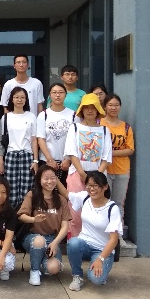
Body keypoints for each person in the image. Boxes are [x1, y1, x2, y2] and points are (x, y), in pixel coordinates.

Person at [64, 93, 113, 238]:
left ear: (98, 110)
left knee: (96, 211)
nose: (90, 110)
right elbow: (72, 152)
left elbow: (106, 156)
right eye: (86, 107)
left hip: (98, 176)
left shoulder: (105, 130)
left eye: (93, 107)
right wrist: (82, 173)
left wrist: (96, 177)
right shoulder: (74, 128)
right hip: (77, 174)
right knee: (75, 212)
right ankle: (75, 242)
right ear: (82, 110)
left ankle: (94, 242)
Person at [66, 171, 122, 291]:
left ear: (105, 187)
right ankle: (77, 276)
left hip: (102, 250)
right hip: (85, 244)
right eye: (89, 185)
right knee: (73, 243)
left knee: (97, 279)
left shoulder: (112, 208)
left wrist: (100, 259)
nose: (92, 189)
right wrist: (54, 179)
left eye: (96, 185)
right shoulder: (85, 197)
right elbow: (67, 195)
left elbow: (114, 240)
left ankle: (100, 270)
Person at [17, 165, 70, 286]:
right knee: (39, 241)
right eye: (46, 178)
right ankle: (34, 270)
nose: (49, 181)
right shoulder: (32, 195)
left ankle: (40, 259)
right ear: (39, 180)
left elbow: (65, 226)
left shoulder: (61, 200)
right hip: (33, 236)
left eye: (53, 178)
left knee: (53, 268)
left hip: (52, 238)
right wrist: (33, 219)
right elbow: (21, 216)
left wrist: (55, 242)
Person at [100, 94, 135, 241]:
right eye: (110, 105)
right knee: (104, 202)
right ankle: (103, 235)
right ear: (105, 107)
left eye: (116, 105)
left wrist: (110, 153)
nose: (113, 108)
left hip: (122, 170)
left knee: (118, 204)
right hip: (104, 170)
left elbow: (130, 149)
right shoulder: (99, 124)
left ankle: (117, 237)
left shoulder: (126, 127)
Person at [2, 87, 39, 209]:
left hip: (27, 155)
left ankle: (25, 214)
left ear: (26, 100)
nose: (19, 100)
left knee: (27, 188)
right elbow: (2, 140)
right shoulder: (6, 117)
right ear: (12, 99)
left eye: (22, 97)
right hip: (11, 155)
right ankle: (11, 215)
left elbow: (34, 139)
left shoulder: (31, 116)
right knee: (10, 188)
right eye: (16, 97)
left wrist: (35, 160)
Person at [37, 83, 76, 187]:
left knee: (66, 192)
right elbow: (41, 139)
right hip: (47, 161)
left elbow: (75, 140)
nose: (57, 95)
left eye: (61, 92)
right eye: (54, 92)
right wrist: (50, 160)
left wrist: (68, 159)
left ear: (65, 95)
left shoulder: (73, 115)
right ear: (50, 95)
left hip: (67, 163)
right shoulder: (43, 115)